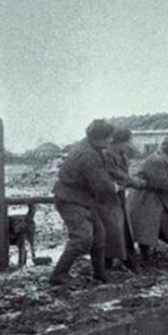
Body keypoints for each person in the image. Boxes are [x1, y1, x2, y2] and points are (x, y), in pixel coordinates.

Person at [49, 120, 118, 285]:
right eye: (108, 137)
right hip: (71, 200)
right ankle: (58, 274)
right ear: (98, 138)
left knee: (99, 236)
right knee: (82, 238)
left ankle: (99, 273)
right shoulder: (89, 154)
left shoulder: (90, 147)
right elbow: (100, 184)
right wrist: (114, 187)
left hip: (83, 199)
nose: (111, 141)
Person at [102, 127, 146, 271]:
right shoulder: (107, 155)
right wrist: (135, 182)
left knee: (123, 227)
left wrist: (130, 181)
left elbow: (123, 174)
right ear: (118, 142)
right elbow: (116, 173)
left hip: (119, 194)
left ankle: (125, 258)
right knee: (112, 228)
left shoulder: (122, 154)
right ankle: (107, 261)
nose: (128, 145)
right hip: (107, 196)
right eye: (126, 142)